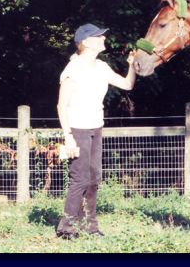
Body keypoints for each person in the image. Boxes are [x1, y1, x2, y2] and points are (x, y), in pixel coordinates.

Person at [56, 23, 136, 239]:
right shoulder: (73, 69)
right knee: (80, 179)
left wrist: (132, 65)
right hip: (77, 129)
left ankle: (90, 227)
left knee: (93, 179)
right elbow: (62, 106)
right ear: (85, 42)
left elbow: (127, 84)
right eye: (99, 36)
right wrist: (68, 137)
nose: (103, 38)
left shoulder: (101, 67)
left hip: (96, 127)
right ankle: (66, 227)